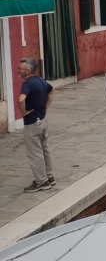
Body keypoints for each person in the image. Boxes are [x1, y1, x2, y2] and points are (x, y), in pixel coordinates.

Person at [18, 58, 55, 192]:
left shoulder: (27, 84)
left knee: (35, 153)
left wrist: (23, 112)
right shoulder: (40, 80)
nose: (18, 70)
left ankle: (42, 182)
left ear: (27, 71)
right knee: (45, 149)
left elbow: (21, 99)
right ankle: (50, 177)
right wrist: (45, 107)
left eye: (20, 68)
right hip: (42, 121)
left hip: (32, 123)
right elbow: (51, 91)